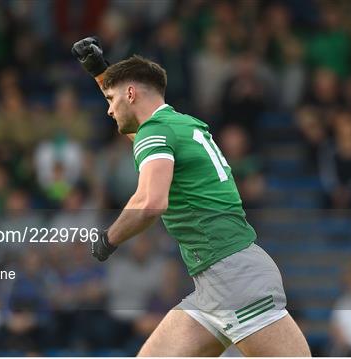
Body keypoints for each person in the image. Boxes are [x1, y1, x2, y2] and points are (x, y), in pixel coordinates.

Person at [71, 37, 310, 356]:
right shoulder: (179, 124)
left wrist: (108, 240)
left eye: (111, 98)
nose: (109, 109)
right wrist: (101, 75)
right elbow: (134, 125)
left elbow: (150, 203)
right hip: (216, 283)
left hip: (234, 279)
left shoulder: (154, 132)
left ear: (130, 94)